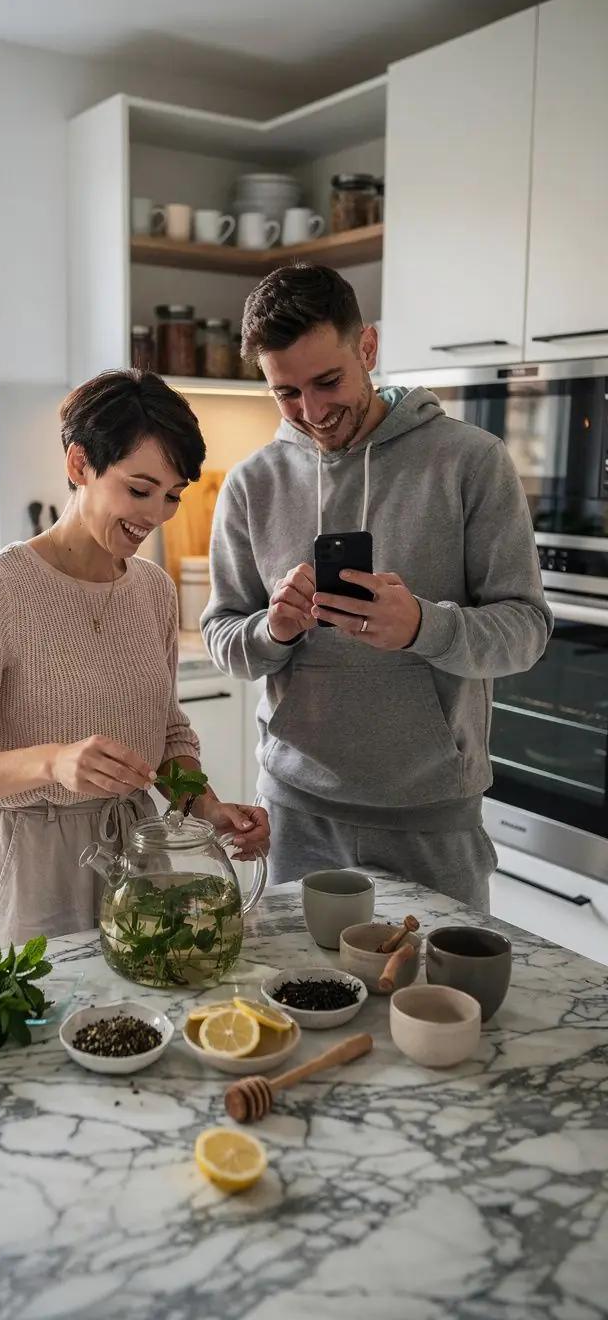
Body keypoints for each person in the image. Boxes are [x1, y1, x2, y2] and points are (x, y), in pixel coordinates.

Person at [201, 264, 552, 909]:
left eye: (328, 381)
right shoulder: (253, 483)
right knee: (300, 1005)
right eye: (285, 393)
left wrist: (422, 626)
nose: (312, 412)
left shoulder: (470, 462)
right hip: (296, 814)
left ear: (368, 347)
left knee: (441, 1007)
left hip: (431, 819)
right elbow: (223, 635)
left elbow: (525, 633)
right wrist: (272, 630)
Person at [0, 369, 269, 947]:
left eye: (173, 496)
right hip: (29, 864)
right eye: (139, 489)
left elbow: (166, 729)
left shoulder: (151, 589)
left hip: (137, 849)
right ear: (79, 466)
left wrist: (207, 807)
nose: (157, 515)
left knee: (141, 1020)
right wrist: (51, 763)